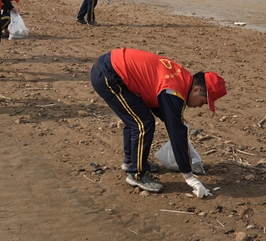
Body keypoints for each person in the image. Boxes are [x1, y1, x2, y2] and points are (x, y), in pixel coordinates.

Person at [90, 48, 227, 195]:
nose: (200, 106)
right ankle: (137, 175)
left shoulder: (182, 80)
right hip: (109, 75)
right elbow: (176, 133)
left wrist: (175, 121)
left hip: (112, 67)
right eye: (203, 101)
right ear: (196, 89)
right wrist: (189, 176)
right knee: (142, 123)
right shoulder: (174, 91)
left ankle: (132, 162)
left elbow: (165, 112)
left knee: (137, 119)